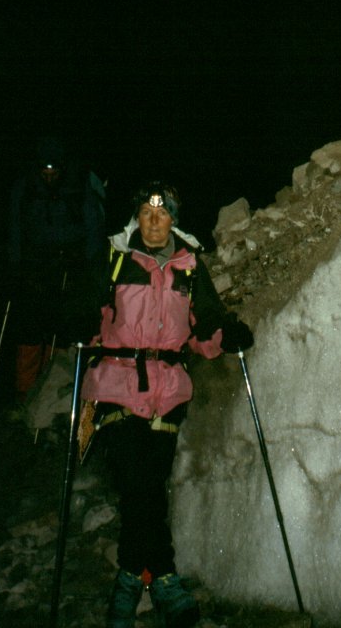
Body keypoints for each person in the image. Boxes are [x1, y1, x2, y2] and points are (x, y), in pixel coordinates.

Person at [82, 181, 253, 628]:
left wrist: (227, 334)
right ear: (136, 217)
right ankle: (165, 580)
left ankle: (130, 580)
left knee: (147, 491)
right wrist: (75, 315)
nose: (155, 222)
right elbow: (87, 308)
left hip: (168, 392)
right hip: (117, 386)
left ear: (174, 218)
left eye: (163, 214)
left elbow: (205, 325)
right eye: (146, 213)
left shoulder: (191, 266)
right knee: (141, 488)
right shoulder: (115, 258)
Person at [8, 136, 106, 398]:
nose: (49, 175)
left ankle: (51, 392)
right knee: (30, 329)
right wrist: (16, 266)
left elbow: (94, 229)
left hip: (70, 268)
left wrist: (89, 270)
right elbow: (15, 228)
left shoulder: (78, 186)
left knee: (62, 330)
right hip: (35, 268)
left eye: (54, 170)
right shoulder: (26, 187)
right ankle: (25, 393)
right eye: (45, 170)